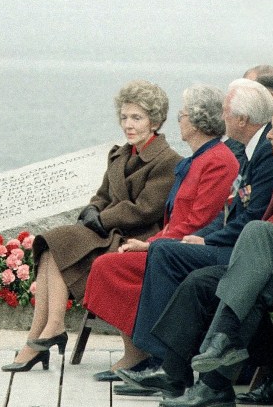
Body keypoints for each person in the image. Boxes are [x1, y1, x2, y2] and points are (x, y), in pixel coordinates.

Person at [124, 99, 273, 407]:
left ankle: (219, 361)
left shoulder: (271, 163)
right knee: (201, 282)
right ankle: (176, 372)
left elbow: (258, 223)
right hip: (268, 258)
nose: (270, 135)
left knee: (253, 250)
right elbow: (245, 215)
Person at [2, 80, 180, 373]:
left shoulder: (168, 161)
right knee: (50, 243)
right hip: (110, 231)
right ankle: (44, 331)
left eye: (137, 117)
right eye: (124, 117)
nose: (128, 124)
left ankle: (46, 335)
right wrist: (93, 209)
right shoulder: (120, 154)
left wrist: (103, 218)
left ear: (155, 120)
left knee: (59, 243)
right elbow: (103, 195)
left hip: (136, 236)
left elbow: (145, 209)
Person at [83, 85, 239, 380]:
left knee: (109, 266)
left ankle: (142, 355)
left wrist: (150, 244)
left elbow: (196, 222)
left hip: (185, 249)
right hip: (171, 244)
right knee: (109, 264)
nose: (178, 120)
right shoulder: (199, 158)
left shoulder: (217, 160)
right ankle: (138, 353)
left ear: (195, 122)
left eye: (182, 115)